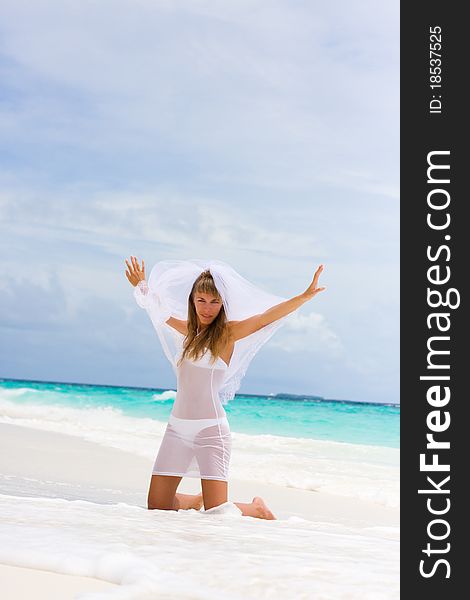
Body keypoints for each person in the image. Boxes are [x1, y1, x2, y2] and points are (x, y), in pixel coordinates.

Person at [125, 256, 326, 519]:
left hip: (211, 431)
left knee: (217, 513)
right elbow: (158, 311)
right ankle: (197, 499)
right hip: (177, 429)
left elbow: (264, 318)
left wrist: (304, 297)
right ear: (192, 301)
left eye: (214, 302)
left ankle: (255, 509)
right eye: (201, 300)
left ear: (222, 304)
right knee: (157, 505)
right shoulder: (188, 333)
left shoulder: (227, 334)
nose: (207, 308)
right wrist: (142, 285)